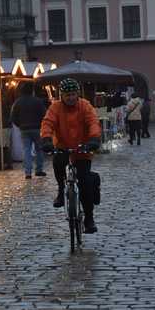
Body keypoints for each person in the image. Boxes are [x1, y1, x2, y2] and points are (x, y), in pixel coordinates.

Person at [40, 78, 102, 233]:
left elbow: (93, 122)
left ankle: (89, 218)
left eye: (73, 94)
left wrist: (94, 139)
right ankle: (61, 191)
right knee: (58, 164)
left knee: (85, 184)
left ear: (77, 94)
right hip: (62, 146)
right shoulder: (56, 107)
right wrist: (46, 139)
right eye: (67, 95)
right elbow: (48, 123)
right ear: (62, 95)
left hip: (83, 148)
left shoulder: (85, 106)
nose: (70, 98)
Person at [11, 82, 47, 179]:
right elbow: (45, 114)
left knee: (26, 150)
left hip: (24, 129)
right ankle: (39, 170)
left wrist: (20, 125)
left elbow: (13, 116)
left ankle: (28, 172)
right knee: (39, 149)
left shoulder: (18, 102)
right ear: (32, 91)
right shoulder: (38, 101)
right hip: (37, 128)